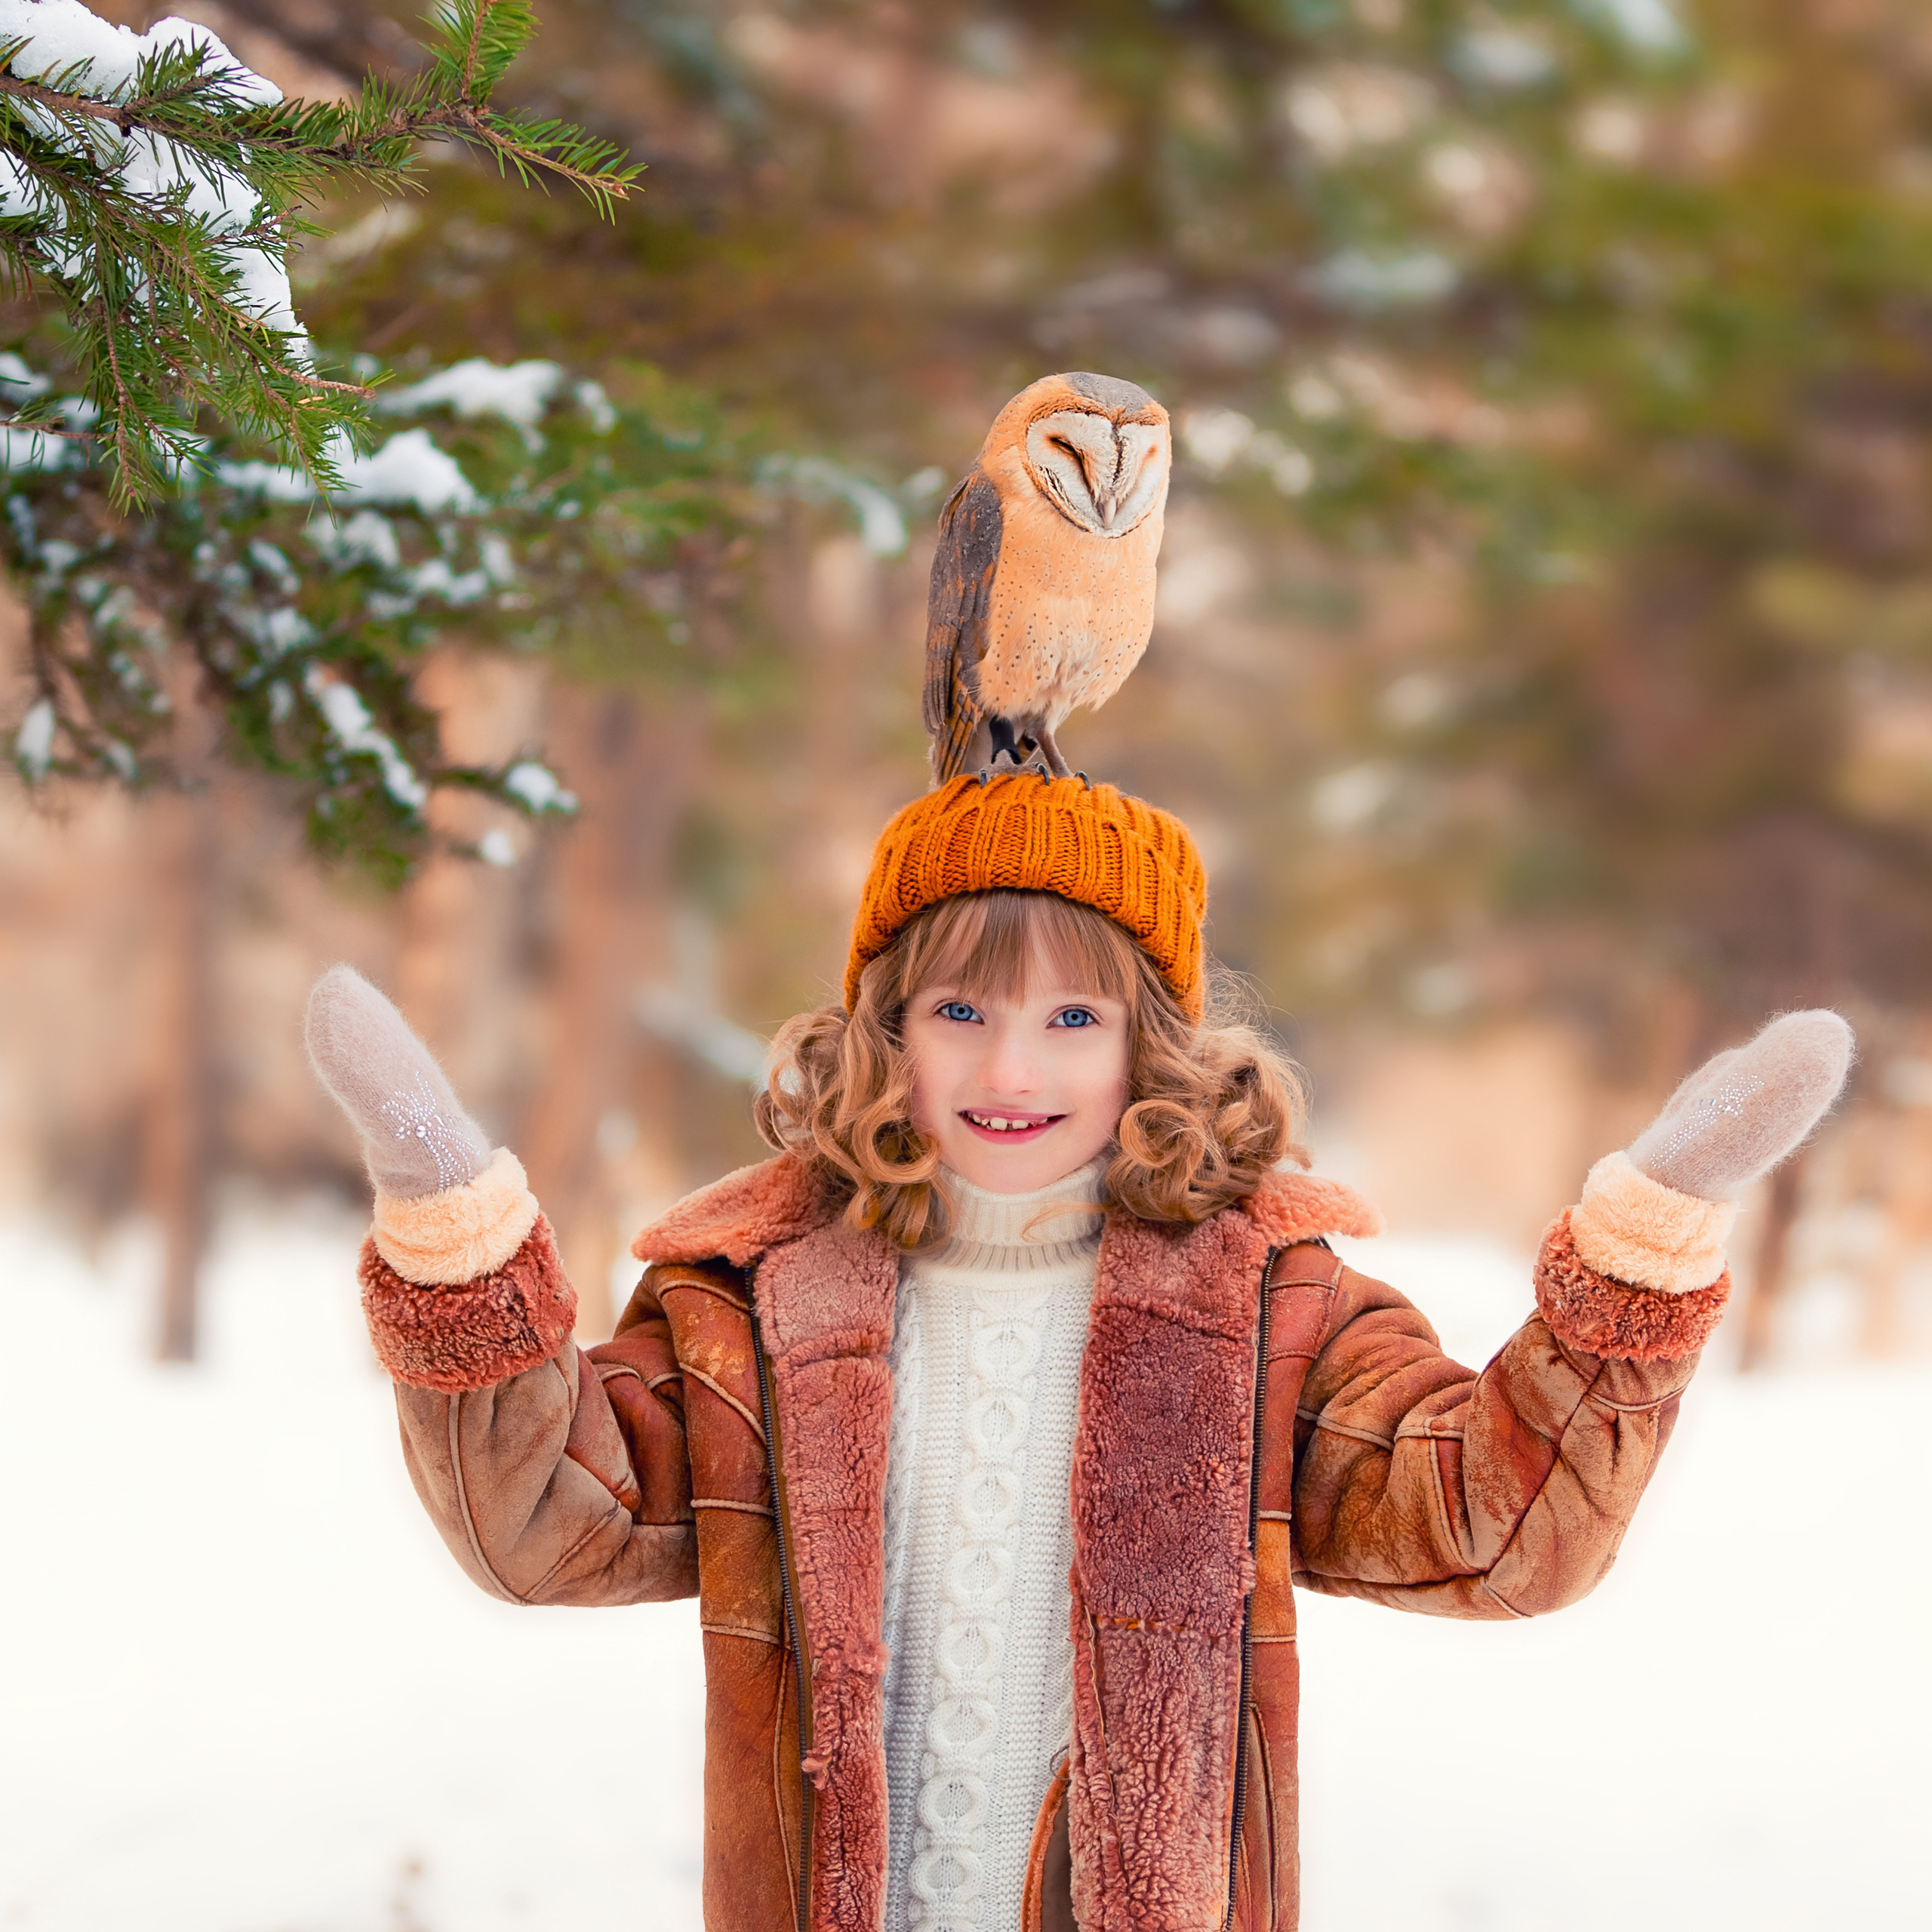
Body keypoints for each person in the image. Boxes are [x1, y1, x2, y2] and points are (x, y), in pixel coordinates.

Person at [306, 773, 1852, 1932]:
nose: (1005, 1066)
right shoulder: (756, 1305)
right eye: (958, 1006)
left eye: (1069, 1019)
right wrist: (447, 1212)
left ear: (1150, 1042)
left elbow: (1494, 1523)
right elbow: (545, 1516)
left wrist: (1645, 1235)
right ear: (882, 1027)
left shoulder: (1267, 1307)